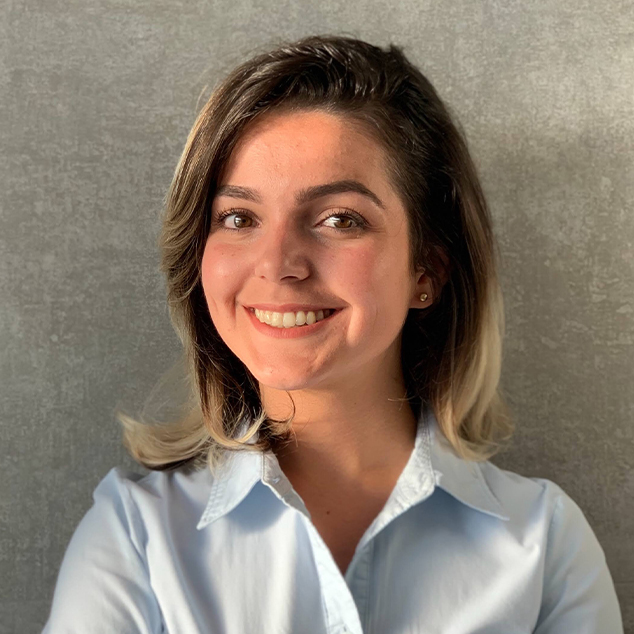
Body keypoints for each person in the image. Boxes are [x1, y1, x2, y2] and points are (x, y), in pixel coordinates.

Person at [41, 34, 623, 633]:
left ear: (427, 269)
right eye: (238, 217)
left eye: (339, 219)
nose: (278, 264)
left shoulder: (545, 545)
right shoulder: (135, 537)